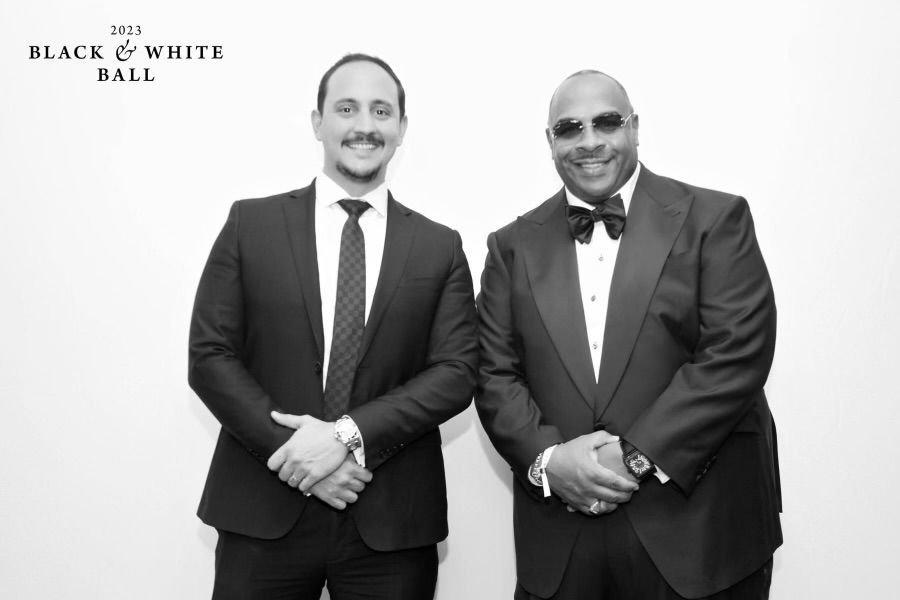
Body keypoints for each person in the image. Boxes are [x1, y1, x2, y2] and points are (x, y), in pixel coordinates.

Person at [475, 70, 781, 599]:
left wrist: (636, 456)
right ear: (549, 141)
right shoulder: (510, 246)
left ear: (634, 127)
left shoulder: (716, 218)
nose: (589, 141)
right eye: (569, 128)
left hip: (700, 536)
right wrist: (551, 461)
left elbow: (736, 355)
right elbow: (493, 375)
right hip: (562, 543)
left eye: (607, 122)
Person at [188, 53, 478, 600]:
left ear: (402, 128)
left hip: (392, 523)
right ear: (317, 122)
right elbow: (210, 357)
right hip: (263, 509)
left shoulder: (440, 246)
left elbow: (456, 373)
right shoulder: (251, 224)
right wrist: (298, 457)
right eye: (347, 108)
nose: (365, 125)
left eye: (381, 111)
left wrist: (346, 436)